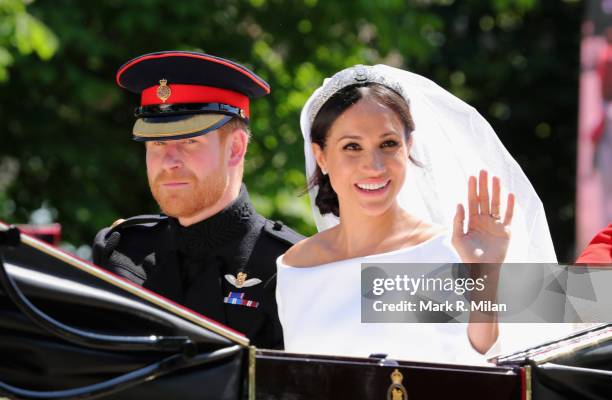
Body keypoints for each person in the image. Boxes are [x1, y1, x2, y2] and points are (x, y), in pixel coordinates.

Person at [275, 65, 559, 365]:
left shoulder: (453, 248)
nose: (374, 165)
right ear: (321, 157)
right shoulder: (295, 267)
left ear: (408, 146)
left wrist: (484, 274)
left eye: (388, 144)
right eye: (352, 147)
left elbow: (485, 362)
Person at [93, 51, 302, 349]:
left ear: (235, 148)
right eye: (157, 142)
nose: (169, 161)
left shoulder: (288, 266)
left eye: (190, 141)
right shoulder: (121, 251)